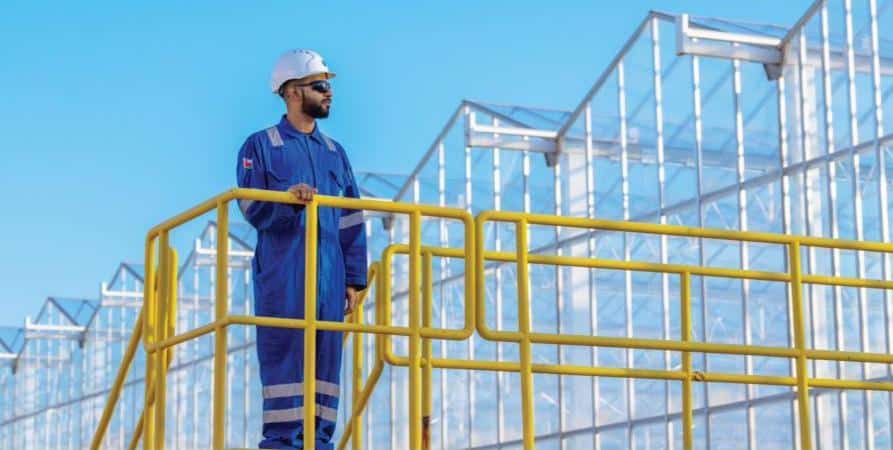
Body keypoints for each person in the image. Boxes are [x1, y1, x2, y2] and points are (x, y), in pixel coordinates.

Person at [236, 49, 367, 450]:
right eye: (320, 85)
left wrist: (354, 277)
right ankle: (282, 443)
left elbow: (351, 216)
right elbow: (250, 206)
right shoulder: (261, 145)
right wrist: (287, 200)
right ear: (292, 92)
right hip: (284, 274)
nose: (329, 93)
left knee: (327, 359)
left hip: (329, 276)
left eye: (328, 86)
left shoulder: (335, 152)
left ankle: (320, 442)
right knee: (286, 356)